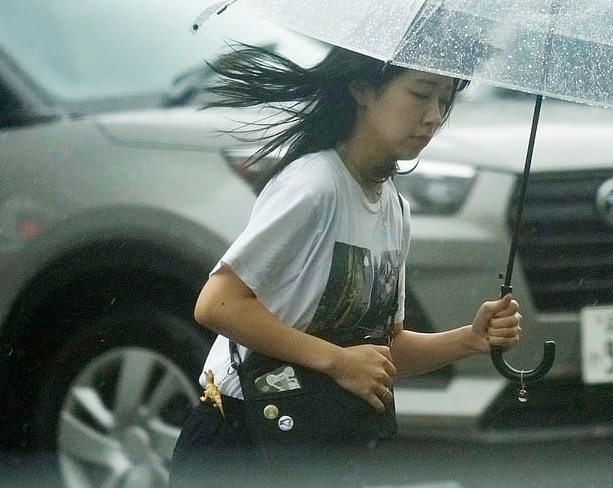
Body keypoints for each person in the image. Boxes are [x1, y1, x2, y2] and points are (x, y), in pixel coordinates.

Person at [169, 44, 522, 485]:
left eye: (445, 100)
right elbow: (218, 304)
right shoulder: (314, 185)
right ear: (362, 89)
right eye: (420, 93)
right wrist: (337, 362)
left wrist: (470, 340)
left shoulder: (394, 209)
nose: (433, 116)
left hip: (321, 442)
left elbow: (379, 353)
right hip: (244, 436)